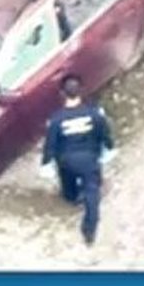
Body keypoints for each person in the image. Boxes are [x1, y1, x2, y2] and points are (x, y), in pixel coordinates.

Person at [40, 75, 116, 245]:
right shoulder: (95, 114)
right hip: (89, 160)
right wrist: (109, 149)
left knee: (68, 191)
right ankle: (89, 232)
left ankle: (72, 198)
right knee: (92, 194)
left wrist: (46, 164)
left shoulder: (56, 119)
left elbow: (50, 145)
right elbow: (105, 135)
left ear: (62, 94)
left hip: (66, 162)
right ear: (81, 92)